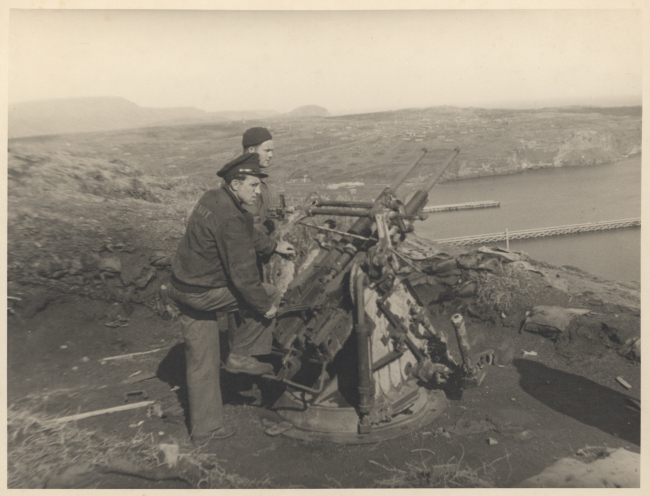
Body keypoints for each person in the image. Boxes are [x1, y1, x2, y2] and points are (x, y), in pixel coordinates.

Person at [168, 152, 295, 444]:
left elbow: (246, 234)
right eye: (252, 184)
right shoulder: (231, 217)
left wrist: (274, 245)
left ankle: (205, 429)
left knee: (203, 358)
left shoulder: (213, 199)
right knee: (268, 293)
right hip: (203, 292)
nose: (258, 190)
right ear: (235, 183)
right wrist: (265, 309)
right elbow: (243, 277)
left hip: (181, 287)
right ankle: (241, 355)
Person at [241, 127, 275, 235]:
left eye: (271, 151)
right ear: (251, 151)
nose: (271, 155)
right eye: (266, 150)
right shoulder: (241, 181)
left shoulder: (259, 180)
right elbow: (251, 227)